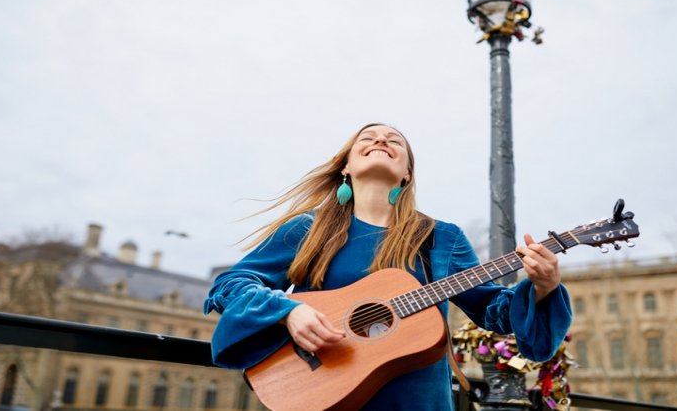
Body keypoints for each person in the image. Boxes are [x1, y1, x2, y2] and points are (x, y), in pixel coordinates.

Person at [204, 123, 572, 411]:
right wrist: (290, 312)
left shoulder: (440, 237)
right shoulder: (308, 229)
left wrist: (544, 287)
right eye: (368, 137)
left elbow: (493, 311)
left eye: (394, 141)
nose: (381, 140)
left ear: (407, 173)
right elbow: (232, 284)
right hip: (320, 394)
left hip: (417, 403)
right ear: (346, 165)